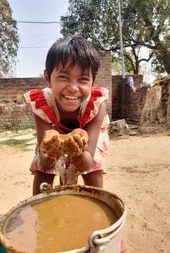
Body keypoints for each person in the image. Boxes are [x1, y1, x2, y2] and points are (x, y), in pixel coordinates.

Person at [24, 35, 110, 195]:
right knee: (44, 170)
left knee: (93, 169)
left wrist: (76, 149)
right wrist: (49, 149)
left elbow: (86, 162)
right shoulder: (42, 105)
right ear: (48, 78)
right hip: (54, 132)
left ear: (92, 82)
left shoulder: (97, 106)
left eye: (83, 79)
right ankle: (40, 210)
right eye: (63, 77)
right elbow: (45, 162)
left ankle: (97, 205)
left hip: (87, 142)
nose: (73, 88)